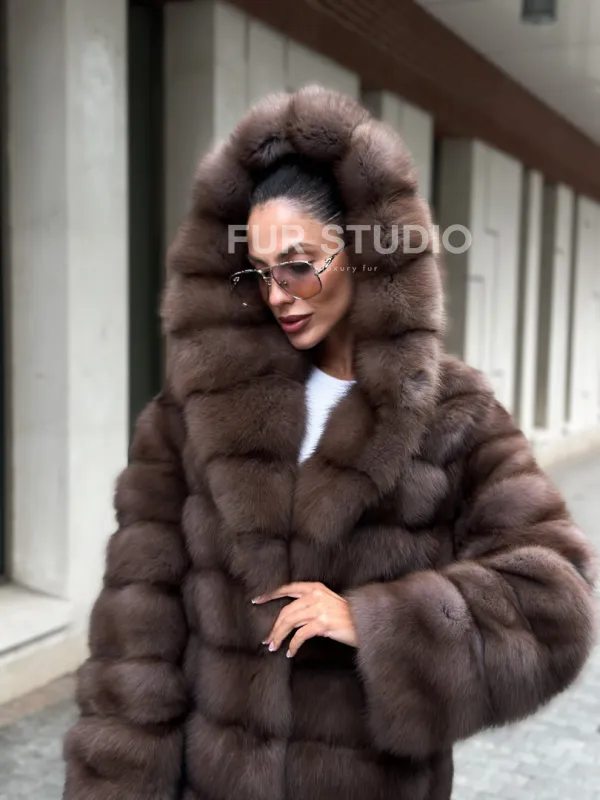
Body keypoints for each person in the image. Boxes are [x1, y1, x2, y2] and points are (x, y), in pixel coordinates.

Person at [62, 85, 597, 800]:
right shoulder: (191, 412)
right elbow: (134, 635)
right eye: (260, 272)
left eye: (298, 264)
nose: (277, 294)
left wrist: (378, 623)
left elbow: (556, 597)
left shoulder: (451, 415)